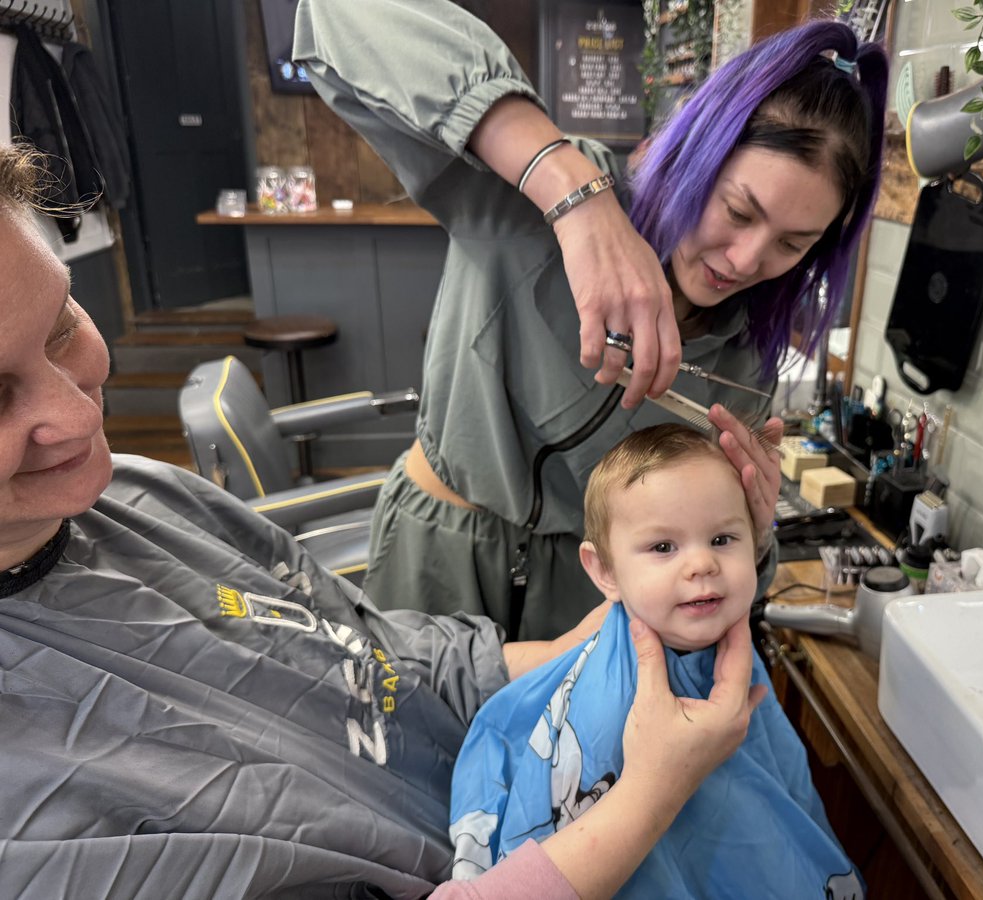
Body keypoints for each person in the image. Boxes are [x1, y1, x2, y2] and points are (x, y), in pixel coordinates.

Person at [0, 143, 768, 899]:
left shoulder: (139, 495)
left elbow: (372, 657)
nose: (76, 412)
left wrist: (618, 635)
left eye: (63, 325)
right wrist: (649, 798)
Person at [293, 0, 887, 640]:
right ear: (698, 153)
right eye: (739, 211)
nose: (745, 261)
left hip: (585, 610)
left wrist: (754, 533)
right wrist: (571, 196)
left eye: (792, 244)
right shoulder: (525, 203)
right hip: (436, 560)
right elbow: (338, 14)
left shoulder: (743, 359)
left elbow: (714, 577)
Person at [448, 424, 864, 898]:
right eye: (663, 547)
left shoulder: (724, 643)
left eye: (724, 539)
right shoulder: (615, 707)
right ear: (604, 571)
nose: (701, 564)